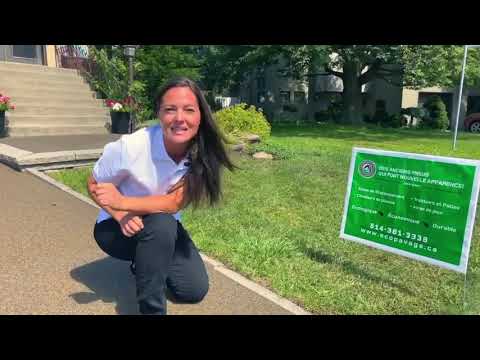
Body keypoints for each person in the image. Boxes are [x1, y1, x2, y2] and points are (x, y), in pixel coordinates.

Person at [87, 77, 235, 315]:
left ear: (201, 115)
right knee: (162, 223)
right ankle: (151, 309)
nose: (179, 118)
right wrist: (120, 213)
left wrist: (123, 201)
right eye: (170, 110)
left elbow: (173, 203)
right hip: (116, 229)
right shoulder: (130, 148)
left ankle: (145, 262)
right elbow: (93, 183)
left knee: (192, 290)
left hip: (161, 226)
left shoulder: (203, 153)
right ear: (158, 113)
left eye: (189, 110)